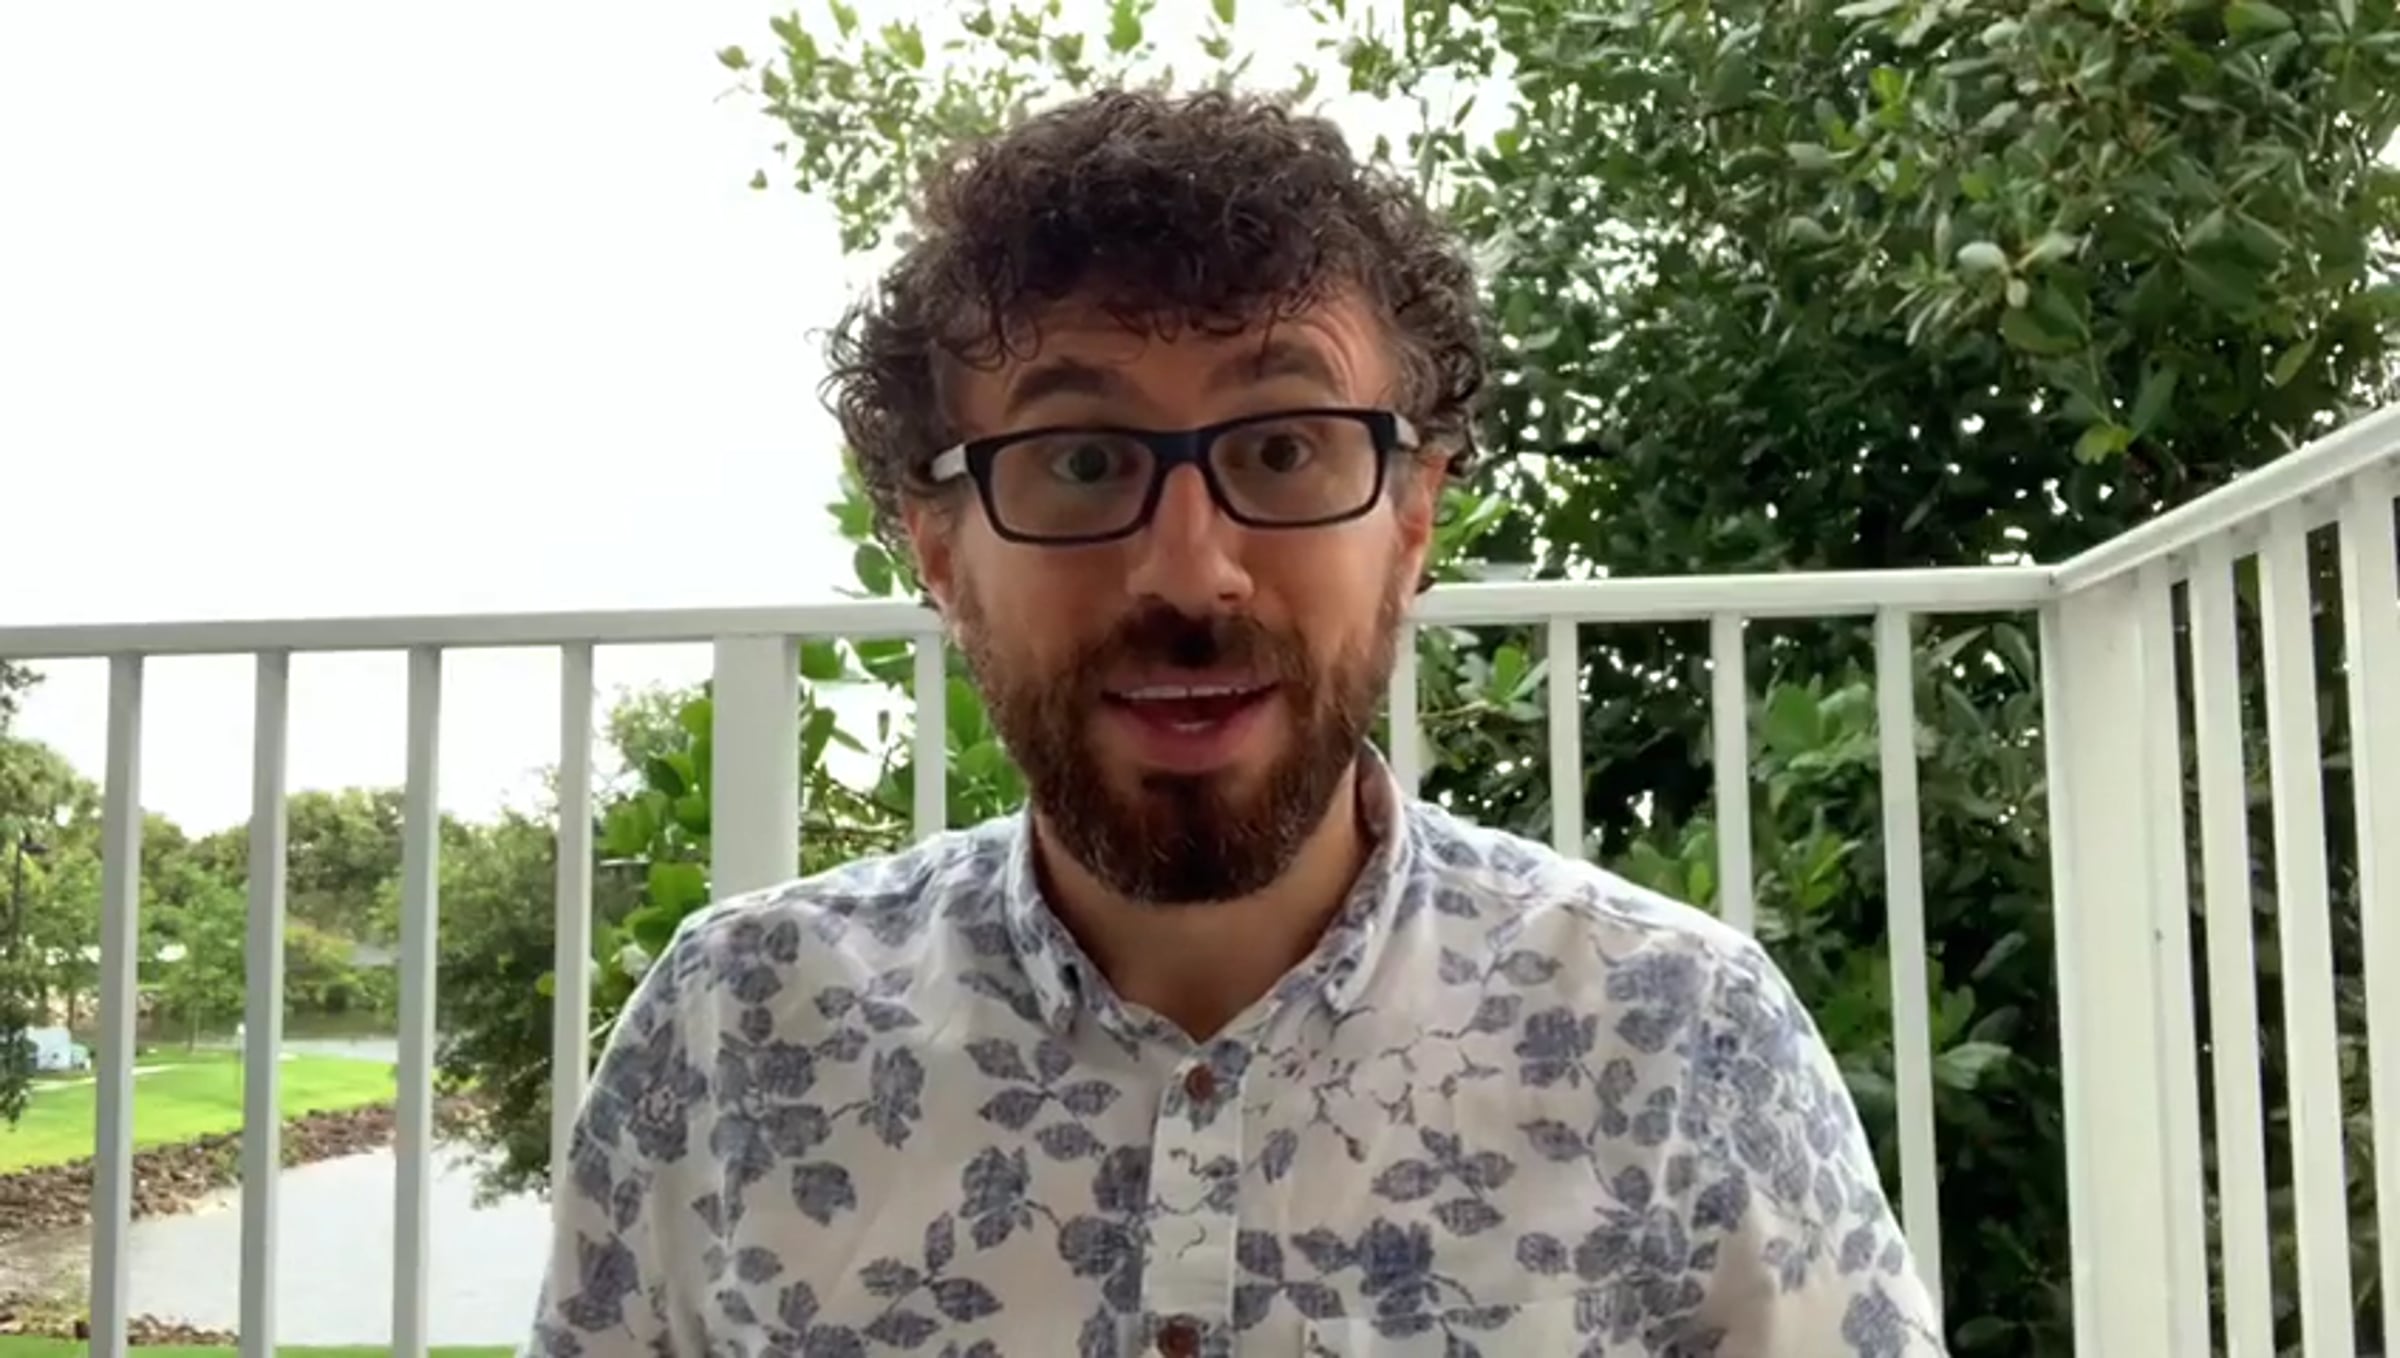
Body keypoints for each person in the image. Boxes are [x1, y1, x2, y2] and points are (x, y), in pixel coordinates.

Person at [525, 88, 1946, 1358]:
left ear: (1412, 521)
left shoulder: (1678, 1035)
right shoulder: (736, 1032)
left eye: (1281, 447)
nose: (1191, 571)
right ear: (941, 549)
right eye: (1082, 460)